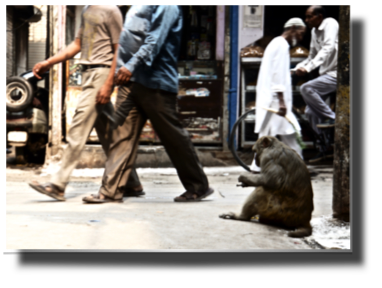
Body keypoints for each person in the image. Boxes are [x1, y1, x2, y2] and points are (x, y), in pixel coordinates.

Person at [82, 5, 214, 203]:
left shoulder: (166, 6)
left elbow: (155, 40)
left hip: (155, 84)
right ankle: (111, 191)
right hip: (130, 83)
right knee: (121, 136)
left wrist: (130, 66)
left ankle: (198, 186)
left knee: (173, 136)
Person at [29, 5, 144, 201]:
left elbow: (119, 49)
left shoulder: (111, 10)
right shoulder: (87, 9)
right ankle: (131, 182)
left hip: (101, 74)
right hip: (88, 73)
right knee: (110, 134)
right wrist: (49, 62)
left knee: (78, 128)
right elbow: (77, 44)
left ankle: (58, 185)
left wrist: (108, 84)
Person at [249, 18, 306, 173]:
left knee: (271, 134)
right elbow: (277, 75)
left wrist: (291, 72)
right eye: (300, 33)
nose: (301, 38)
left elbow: (277, 72)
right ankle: (297, 166)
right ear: (293, 28)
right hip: (275, 100)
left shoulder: (275, 43)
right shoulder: (281, 45)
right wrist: (281, 101)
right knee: (291, 133)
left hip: (271, 99)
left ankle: (257, 166)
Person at [292, 5, 338, 163]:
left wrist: (309, 68)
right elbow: (312, 55)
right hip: (326, 74)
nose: (307, 20)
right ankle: (324, 149)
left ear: (319, 16)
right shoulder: (314, 32)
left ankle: (332, 118)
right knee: (311, 113)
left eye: (310, 16)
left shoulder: (330, 23)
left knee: (307, 87)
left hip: (340, 73)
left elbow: (328, 48)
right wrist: (297, 67)